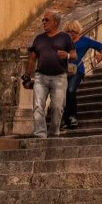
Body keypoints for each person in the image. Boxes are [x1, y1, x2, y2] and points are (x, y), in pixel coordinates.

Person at [24, 10, 75, 138]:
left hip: (59, 78)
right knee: (38, 106)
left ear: (55, 22)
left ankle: (53, 133)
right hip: (41, 77)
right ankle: (40, 134)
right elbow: (32, 58)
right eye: (43, 20)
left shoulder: (65, 37)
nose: (43, 22)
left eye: (47, 20)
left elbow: (74, 55)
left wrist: (67, 55)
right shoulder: (39, 38)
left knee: (58, 107)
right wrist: (26, 75)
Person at [61, 20, 102, 130]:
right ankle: (66, 119)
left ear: (77, 31)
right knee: (64, 94)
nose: (70, 34)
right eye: (68, 32)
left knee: (70, 90)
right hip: (65, 71)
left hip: (78, 71)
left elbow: (99, 45)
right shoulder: (65, 42)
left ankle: (73, 116)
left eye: (72, 32)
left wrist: (101, 55)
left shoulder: (85, 40)